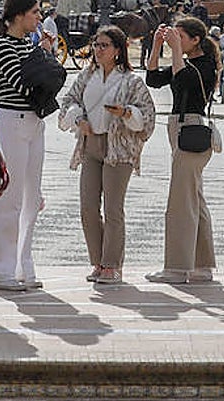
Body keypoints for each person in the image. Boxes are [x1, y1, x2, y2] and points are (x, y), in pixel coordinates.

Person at [58, 25, 155, 285]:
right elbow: (68, 101)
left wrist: (125, 113)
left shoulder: (131, 81)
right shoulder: (87, 75)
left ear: (118, 50)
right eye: (96, 45)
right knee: (88, 208)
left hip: (119, 149)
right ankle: (98, 261)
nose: (98, 50)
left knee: (113, 209)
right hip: (90, 145)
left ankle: (112, 265)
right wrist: (78, 118)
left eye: (104, 45)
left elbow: (147, 117)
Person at [0, 0, 54, 292]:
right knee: (8, 198)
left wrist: (44, 58)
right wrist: (44, 59)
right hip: (13, 120)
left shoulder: (29, 44)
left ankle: (23, 266)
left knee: (31, 199)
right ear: (19, 15)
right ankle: (0, 271)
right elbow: (25, 84)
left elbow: (48, 80)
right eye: (35, 12)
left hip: (35, 121)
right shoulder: (3, 45)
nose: (39, 18)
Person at [144, 16, 218, 284]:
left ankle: (176, 268)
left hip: (192, 130)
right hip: (179, 129)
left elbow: (185, 80)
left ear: (196, 40)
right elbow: (152, 79)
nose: (177, 41)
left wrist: (174, 50)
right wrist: (156, 46)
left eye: (182, 37)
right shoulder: (183, 62)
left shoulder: (205, 65)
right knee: (194, 199)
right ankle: (202, 266)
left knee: (180, 202)